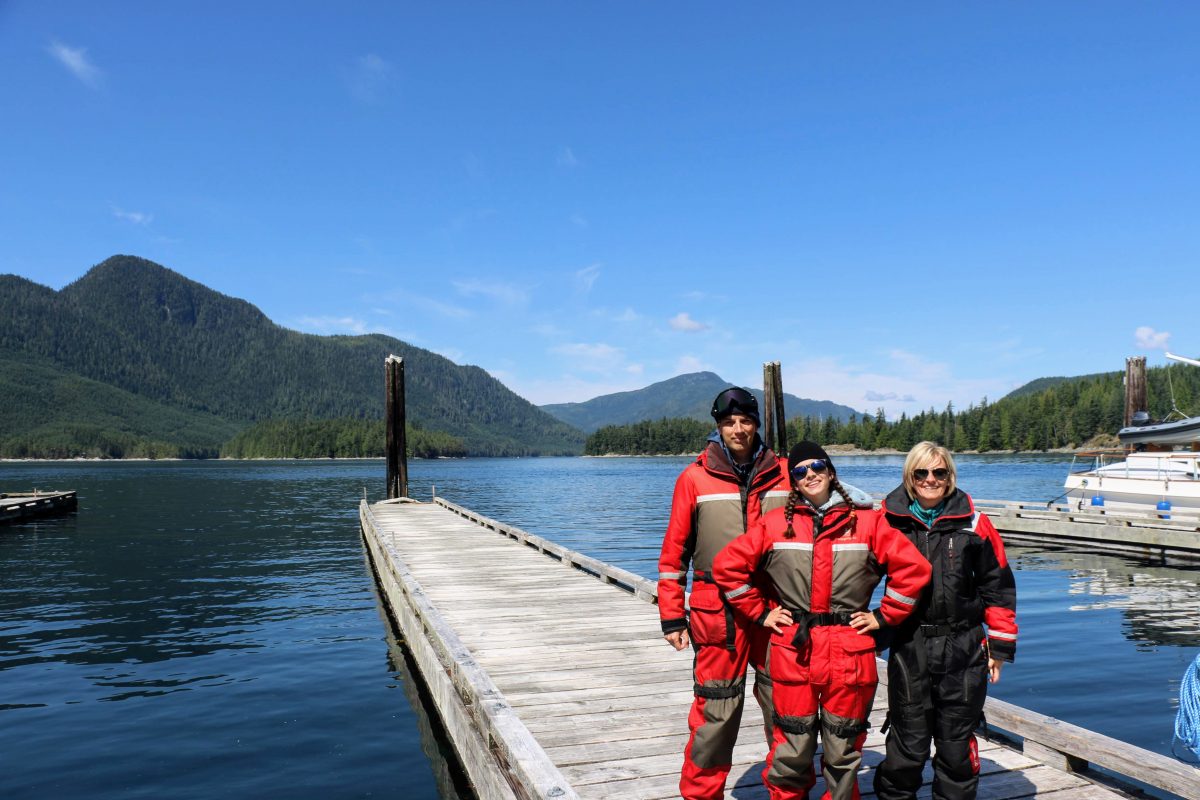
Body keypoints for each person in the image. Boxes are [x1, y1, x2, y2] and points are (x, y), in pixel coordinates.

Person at [714, 441, 931, 800]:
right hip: (792, 650)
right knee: (790, 751)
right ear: (794, 482)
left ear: (831, 472)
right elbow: (727, 568)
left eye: (817, 467)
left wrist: (884, 616)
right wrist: (760, 612)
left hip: (849, 651)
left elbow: (914, 569)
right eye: (800, 471)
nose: (810, 474)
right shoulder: (774, 524)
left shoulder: (867, 521)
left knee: (843, 753)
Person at [658, 387, 791, 800]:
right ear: (718, 427)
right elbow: (673, 555)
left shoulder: (787, 473)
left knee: (788, 710)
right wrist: (672, 616)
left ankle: (787, 792)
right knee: (715, 713)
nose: (738, 429)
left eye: (745, 421)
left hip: (777, 608)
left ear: (756, 424)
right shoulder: (694, 477)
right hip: (717, 613)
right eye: (729, 423)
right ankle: (701, 795)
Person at [873, 441, 1018, 800]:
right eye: (921, 473)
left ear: (950, 476)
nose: (930, 480)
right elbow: (858, 578)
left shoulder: (975, 522)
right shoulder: (887, 521)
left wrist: (999, 646)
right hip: (910, 645)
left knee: (956, 750)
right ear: (909, 476)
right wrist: (863, 624)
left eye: (939, 472)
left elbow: (997, 586)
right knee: (907, 745)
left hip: (964, 647)